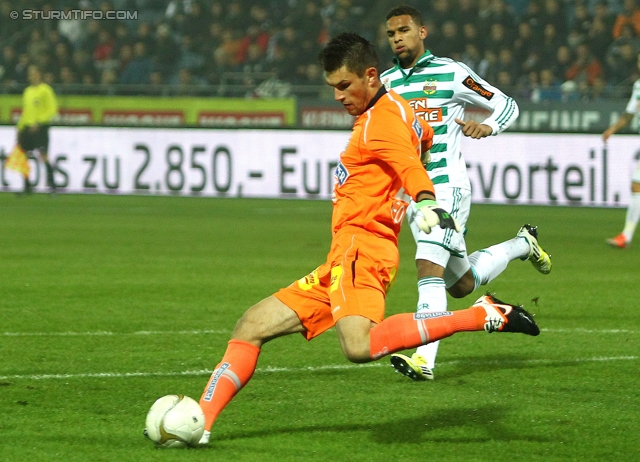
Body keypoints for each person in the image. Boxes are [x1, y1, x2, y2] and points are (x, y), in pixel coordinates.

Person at [195, 32, 540, 446]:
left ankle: (485, 314)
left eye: (345, 85)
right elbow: (422, 146)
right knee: (251, 325)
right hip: (342, 256)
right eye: (332, 88)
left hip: (363, 250)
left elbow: (409, 164)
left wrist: (425, 199)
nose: (338, 96)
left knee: (359, 347)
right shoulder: (399, 110)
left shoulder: (381, 122)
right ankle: (200, 422)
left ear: (371, 76)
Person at [381, 6, 551, 381]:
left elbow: (507, 104)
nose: (397, 38)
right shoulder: (388, 83)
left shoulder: (452, 72)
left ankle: (424, 358)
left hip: (446, 189)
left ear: (422, 32)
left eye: (404, 30)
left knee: (427, 267)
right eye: (392, 33)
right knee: (460, 284)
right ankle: (523, 244)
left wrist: (487, 127)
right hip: (414, 196)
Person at [602, 51, 640, 249]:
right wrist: (612, 129)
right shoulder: (638, 85)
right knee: (637, 185)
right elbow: (629, 114)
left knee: (637, 184)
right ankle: (626, 235)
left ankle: (626, 235)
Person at [16, 64, 58, 194]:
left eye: (33, 72)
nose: (31, 75)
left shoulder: (46, 90)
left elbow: (52, 109)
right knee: (22, 156)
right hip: (27, 128)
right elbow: (25, 112)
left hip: (40, 128)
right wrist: (20, 128)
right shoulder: (27, 91)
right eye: (30, 73)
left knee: (43, 155)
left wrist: (39, 123)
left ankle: (52, 186)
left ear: (39, 74)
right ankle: (27, 186)